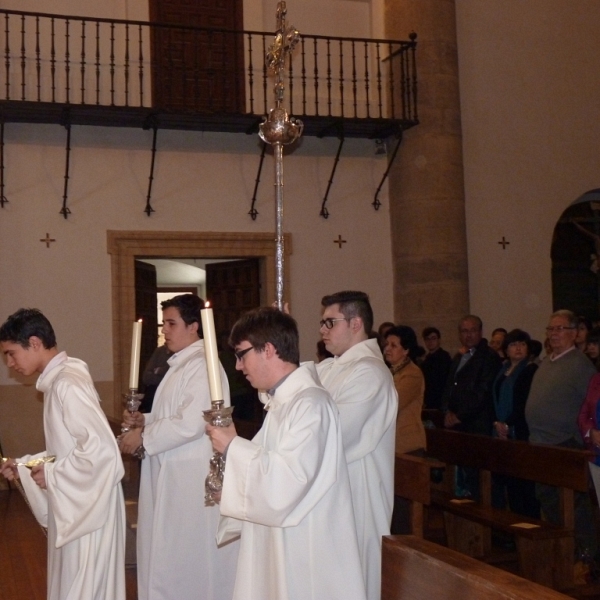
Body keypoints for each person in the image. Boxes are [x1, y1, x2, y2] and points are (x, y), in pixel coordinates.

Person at [206, 307, 367, 600]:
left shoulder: (310, 405)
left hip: (304, 547)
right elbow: (268, 469)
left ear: (267, 349)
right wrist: (231, 486)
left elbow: (286, 482)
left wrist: (233, 446)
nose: (239, 366)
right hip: (283, 541)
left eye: (242, 354)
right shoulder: (285, 402)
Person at [0, 308, 126, 600]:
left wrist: (53, 473)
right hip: (79, 502)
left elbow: (103, 452)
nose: (9, 363)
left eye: (11, 353)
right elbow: (68, 451)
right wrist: (24, 466)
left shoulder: (67, 384)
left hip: (90, 509)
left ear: (34, 343)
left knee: (83, 590)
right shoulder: (60, 381)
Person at [119, 294, 238, 600]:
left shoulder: (203, 366)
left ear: (195, 326)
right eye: (164, 324)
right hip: (171, 469)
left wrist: (143, 437)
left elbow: (190, 422)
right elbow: (171, 414)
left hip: (190, 473)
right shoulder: (180, 364)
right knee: (168, 546)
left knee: (186, 551)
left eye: (171, 324)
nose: (165, 331)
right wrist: (143, 420)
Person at [316, 291, 397, 600]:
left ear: (356, 323)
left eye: (329, 322)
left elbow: (337, 431)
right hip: (333, 489)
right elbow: (284, 390)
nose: (322, 330)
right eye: (322, 323)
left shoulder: (370, 372)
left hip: (357, 492)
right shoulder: (331, 367)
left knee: (355, 578)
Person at [525, 309, 597, 557]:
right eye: (550, 329)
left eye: (560, 329)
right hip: (541, 443)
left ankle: (586, 554)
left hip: (565, 443)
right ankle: (562, 553)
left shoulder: (580, 365)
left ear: (575, 333)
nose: (554, 334)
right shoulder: (548, 361)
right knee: (549, 500)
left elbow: (592, 405)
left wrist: (585, 437)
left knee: (574, 505)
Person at [442, 315, 502, 498]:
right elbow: (449, 386)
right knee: (463, 480)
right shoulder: (459, 356)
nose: (468, 335)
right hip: (459, 426)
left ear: (481, 332)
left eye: (472, 330)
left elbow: (482, 392)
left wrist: (460, 415)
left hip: (477, 425)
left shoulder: (489, 357)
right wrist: (447, 411)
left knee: (480, 481)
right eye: (464, 331)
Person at [491, 329, 539, 518]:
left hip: (520, 432)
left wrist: (508, 425)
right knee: (510, 486)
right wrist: (497, 422)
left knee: (524, 487)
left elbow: (524, 404)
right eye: (513, 344)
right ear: (505, 350)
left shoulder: (530, 370)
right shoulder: (502, 370)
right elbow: (492, 397)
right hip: (501, 431)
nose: (518, 348)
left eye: (522, 344)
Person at [383, 325, 426, 534]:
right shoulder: (390, 372)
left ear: (406, 350)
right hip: (393, 447)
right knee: (391, 503)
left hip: (407, 446)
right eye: (387, 344)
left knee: (401, 506)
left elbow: (392, 404)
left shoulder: (412, 375)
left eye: (394, 345)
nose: (388, 349)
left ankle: (404, 550)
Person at [420, 326, 452, 409]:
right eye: (427, 339)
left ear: (439, 340)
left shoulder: (444, 358)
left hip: (440, 401)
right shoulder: (426, 360)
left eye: (433, 338)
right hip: (429, 401)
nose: (430, 341)